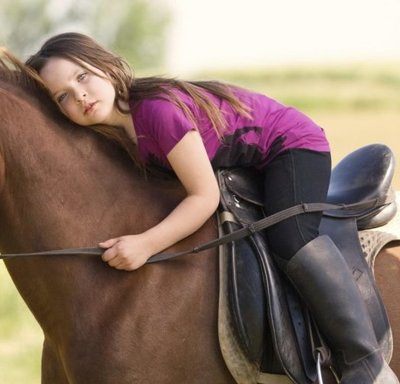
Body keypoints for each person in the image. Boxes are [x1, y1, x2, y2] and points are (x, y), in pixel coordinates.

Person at [25, 32, 398, 383]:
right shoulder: (116, 135)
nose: (80, 95)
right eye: (63, 97)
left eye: (83, 77)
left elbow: (203, 197)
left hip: (290, 145)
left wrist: (145, 244)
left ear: (105, 66)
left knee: (290, 238)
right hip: (249, 161)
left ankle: (364, 359)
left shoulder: (156, 111)